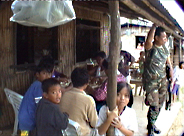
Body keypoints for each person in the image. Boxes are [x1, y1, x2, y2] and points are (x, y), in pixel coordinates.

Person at [142, 23, 173, 135]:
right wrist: (154, 26)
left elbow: (168, 62)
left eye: (166, 37)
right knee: (154, 105)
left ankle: (152, 123)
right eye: (163, 37)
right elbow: (148, 41)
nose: (165, 39)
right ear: (156, 38)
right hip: (151, 83)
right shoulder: (150, 48)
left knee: (159, 104)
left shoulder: (165, 48)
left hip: (163, 81)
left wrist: (171, 76)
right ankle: (150, 128)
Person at [59, 67, 98, 136]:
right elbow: (94, 123)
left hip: (66, 132)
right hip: (82, 133)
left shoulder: (64, 95)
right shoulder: (88, 100)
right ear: (86, 83)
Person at [18, 62, 54, 135]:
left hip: (24, 120)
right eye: (44, 73)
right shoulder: (38, 86)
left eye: (49, 74)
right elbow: (40, 106)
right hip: (29, 122)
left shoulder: (35, 84)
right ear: (37, 74)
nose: (47, 76)